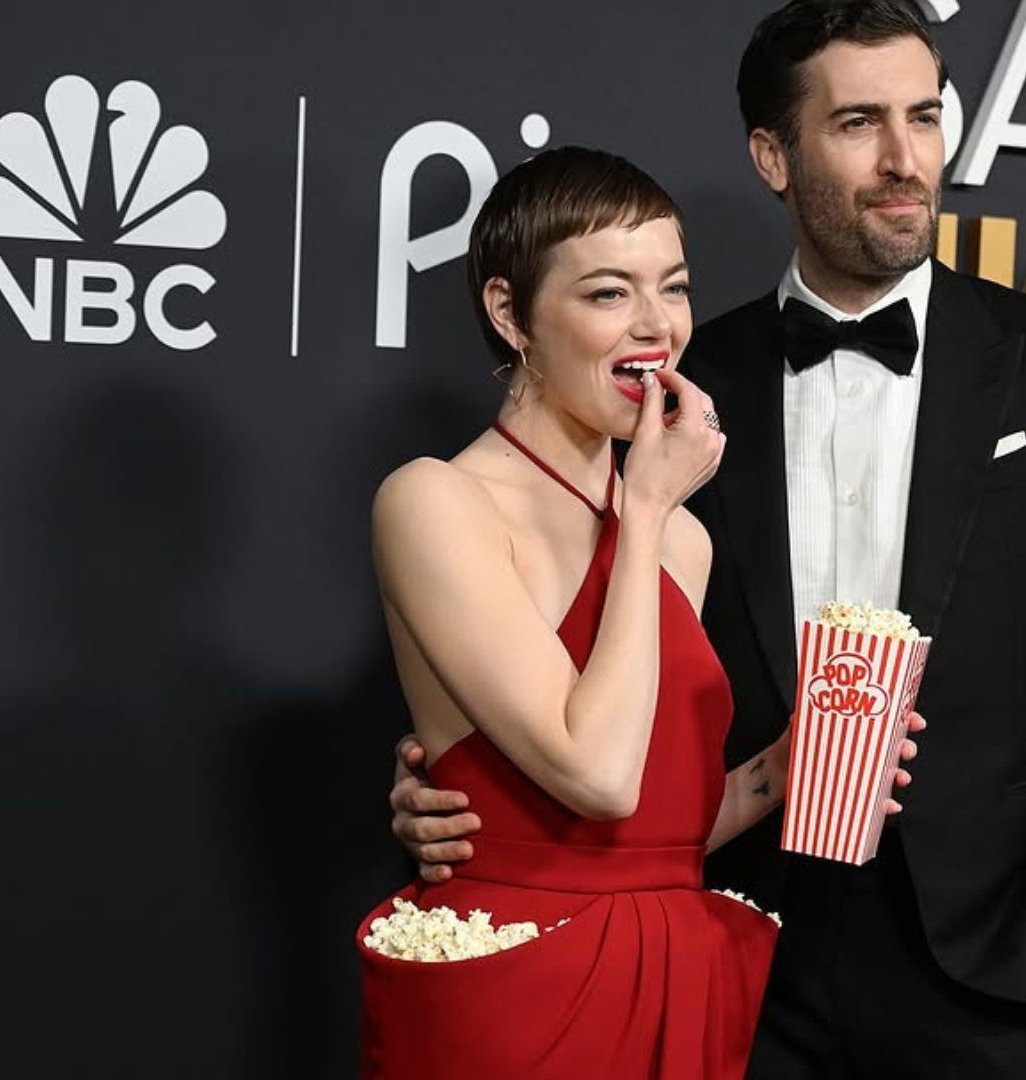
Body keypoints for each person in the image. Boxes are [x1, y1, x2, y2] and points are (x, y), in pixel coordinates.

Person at [390, 3, 1026, 1077]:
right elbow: (573, 668)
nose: (905, 160)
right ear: (773, 155)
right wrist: (462, 786)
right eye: (857, 123)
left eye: (925, 117)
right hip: (738, 930)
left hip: (976, 957)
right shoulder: (676, 391)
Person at [358, 146, 853, 1080]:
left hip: (680, 972)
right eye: (607, 294)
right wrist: (648, 511)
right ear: (511, 314)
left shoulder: (682, 544)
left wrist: (783, 771)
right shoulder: (435, 502)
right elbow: (596, 774)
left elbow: (652, 831)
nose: (657, 326)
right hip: (519, 985)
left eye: (673, 287)